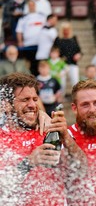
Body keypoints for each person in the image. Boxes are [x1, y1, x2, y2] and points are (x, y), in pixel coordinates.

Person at [0, 72, 87, 205]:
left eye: (35, 99)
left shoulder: (49, 130)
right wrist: (28, 163)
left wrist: (66, 137)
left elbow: (83, 168)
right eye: (24, 100)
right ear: (6, 104)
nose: (32, 105)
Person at [16, 0, 46, 76]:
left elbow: (47, 28)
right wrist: (20, 41)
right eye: (30, 5)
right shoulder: (23, 18)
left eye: (33, 5)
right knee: (31, 65)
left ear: (35, 6)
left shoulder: (42, 16)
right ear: (28, 6)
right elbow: (19, 31)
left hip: (41, 45)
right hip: (28, 45)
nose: (31, 7)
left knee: (41, 64)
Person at [53, 21, 82, 87]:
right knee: (61, 84)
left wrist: (78, 55)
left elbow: (79, 50)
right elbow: (54, 50)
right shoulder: (58, 39)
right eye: (64, 30)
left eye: (67, 30)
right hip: (61, 64)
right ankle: (61, 96)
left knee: (75, 82)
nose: (66, 31)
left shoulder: (74, 38)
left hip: (72, 63)